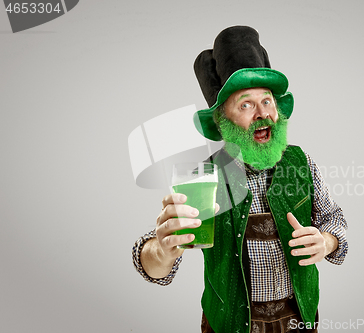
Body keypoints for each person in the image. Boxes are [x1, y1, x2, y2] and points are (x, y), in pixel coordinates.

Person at [132, 26, 348, 333]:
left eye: (267, 101)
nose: (262, 113)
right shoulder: (208, 177)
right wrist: (163, 250)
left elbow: (333, 219)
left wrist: (326, 241)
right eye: (245, 104)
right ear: (222, 120)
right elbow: (155, 267)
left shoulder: (302, 163)